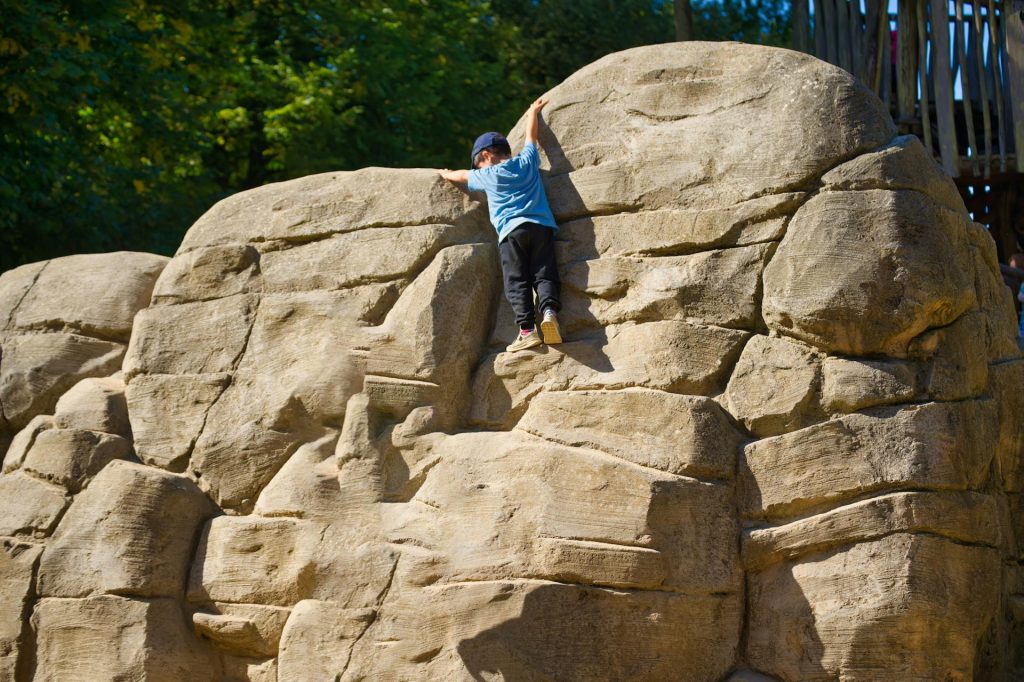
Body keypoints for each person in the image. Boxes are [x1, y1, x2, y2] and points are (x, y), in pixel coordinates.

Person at [438, 97, 562, 352]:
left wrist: (445, 174)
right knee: (544, 272)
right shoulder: (527, 162)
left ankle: (527, 330)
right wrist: (532, 112)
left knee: (517, 280)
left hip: (511, 233)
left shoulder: (488, 174)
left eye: (478, 162)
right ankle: (549, 312)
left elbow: (462, 176)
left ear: (486, 156)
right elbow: (532, 139)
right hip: (541, 227)